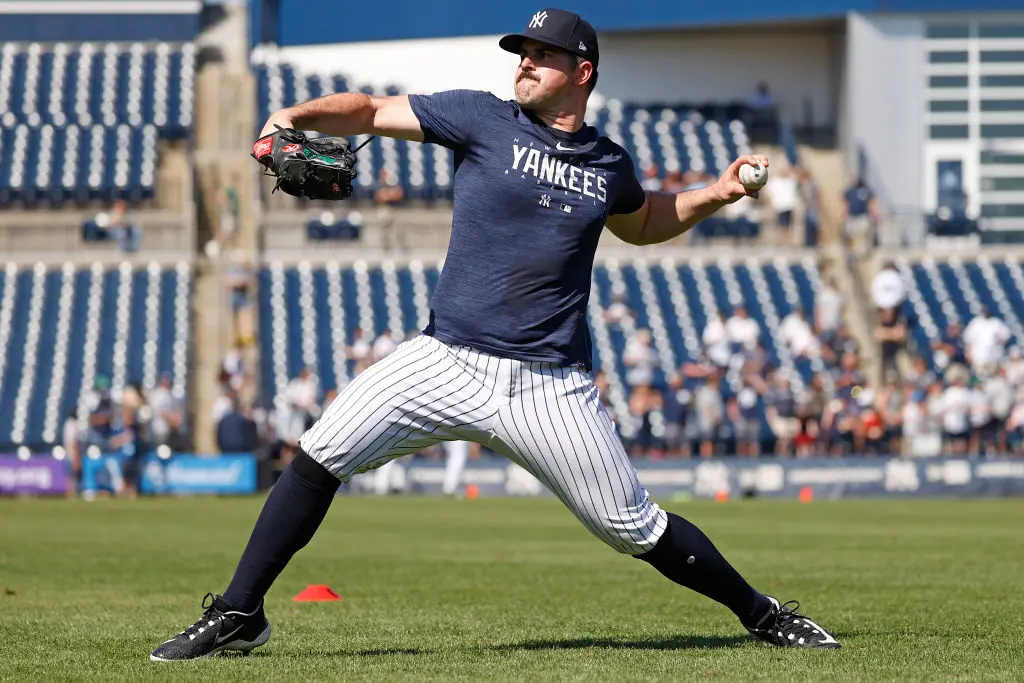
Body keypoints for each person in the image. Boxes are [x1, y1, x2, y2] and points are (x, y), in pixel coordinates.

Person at [151, 8, 838, 661]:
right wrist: (289, 118)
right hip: (445, 356)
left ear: (583, 72)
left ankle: (764, 613)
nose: (526, 64)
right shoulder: (481, 117)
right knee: (321, 450)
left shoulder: (606, 162)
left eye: (543, 55)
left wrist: (715, 194)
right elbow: (366, 109)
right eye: (523, 53)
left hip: (547, 380)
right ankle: (240, 612)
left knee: (633, 526)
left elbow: (645, 221)